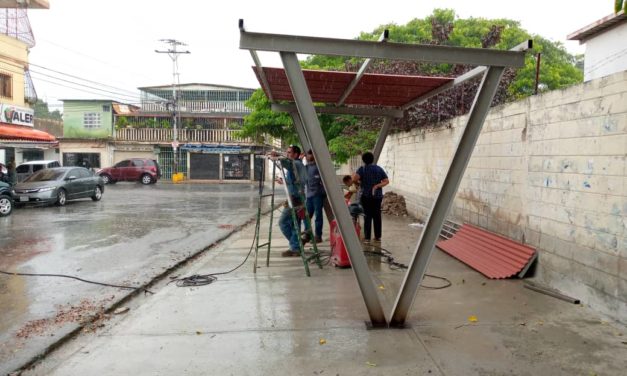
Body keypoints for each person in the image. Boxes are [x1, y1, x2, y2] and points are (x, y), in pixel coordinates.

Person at [274, 145, 308, 257]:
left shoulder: (295, 164)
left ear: (296, 154)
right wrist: (283, 181)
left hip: (295, 198)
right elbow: (295, 182)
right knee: (295, 225)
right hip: (297, 197)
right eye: (287, 152)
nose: (288, 154)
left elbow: (285, 163)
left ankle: (296, 245)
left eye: (289, 152)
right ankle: (296, 246)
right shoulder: (299, 165)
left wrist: (277, 157)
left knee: (283, 223)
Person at [352, 151, 389, 243]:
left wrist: (359, 183)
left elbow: (354, 179)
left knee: (367, 216)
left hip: (366, 196)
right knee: (377, 215)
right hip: (377, 196)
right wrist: (377, 186)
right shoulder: (379, 169)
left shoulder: (362, 169)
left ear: (363, 160)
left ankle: (367, 238)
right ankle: (377, 237)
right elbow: (386, 181)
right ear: (372, 159)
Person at [304, 150, 326, 243]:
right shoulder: (306, 167)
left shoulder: (319, 167)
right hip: (309, 195)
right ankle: (308, 234)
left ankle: (318, 236)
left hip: (318, 195)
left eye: (310, 154)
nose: (309, 156)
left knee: (318, 215)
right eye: (308, 154)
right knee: (307, 216)